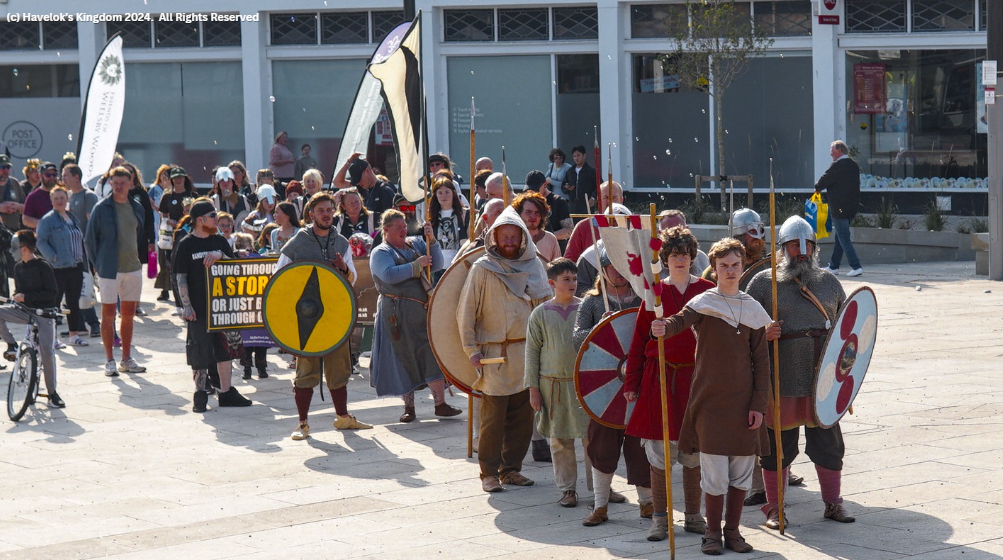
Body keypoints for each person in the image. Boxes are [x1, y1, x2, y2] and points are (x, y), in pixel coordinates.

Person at [653, 238, 774, 555]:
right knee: (715, 474)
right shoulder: (704, 303)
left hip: (745, 405)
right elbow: (679, 320)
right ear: (715, 268)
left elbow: (762, 363)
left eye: (736, 265)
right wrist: (663, 325)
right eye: (724, 266)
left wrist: (759, 406)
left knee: (741, 473)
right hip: (709, 403)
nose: (731, 270)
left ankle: (733, 533)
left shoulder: (753, 310)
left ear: (743, 266)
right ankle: (711, 533)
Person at [747, 216, 856, 529]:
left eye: (808, 244)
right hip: (782, 377)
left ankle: (833, 504)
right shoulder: (763, 284)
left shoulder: (830, 283)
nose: (803, 250)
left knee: (829, 444)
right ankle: (774, 509)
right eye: (795, 244)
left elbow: (847, 333)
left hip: (822, 381)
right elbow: (745, 330)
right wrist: (764, 332)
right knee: (776, 447)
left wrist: (845, 374)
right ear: (783, 248)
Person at [624, 226, 715, 541]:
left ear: (692, 257)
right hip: (659, 379)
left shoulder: (706, 289)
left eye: (685, 255)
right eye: (674, 254)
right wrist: (631, 383)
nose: (680, 260)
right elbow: (638, 343)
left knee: (693, 453)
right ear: (665, 258)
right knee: (660, 454)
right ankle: (661, 521)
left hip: (695, 380)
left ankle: (693, 516)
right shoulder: (654, 293)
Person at [458, 206, 552, 493]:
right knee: (493, 419)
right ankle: (488, 472)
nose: (509, 241)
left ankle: (511, 469)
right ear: (494, 238)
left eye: (514, 235)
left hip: (526, 352)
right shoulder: (482, 268)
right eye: (504, 236)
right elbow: (466, 312)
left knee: (524, 418)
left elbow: (544, 310)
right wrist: (471, 349)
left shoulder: (535, 267)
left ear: (522, 238)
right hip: (494, 355)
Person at [278, 192, 372, 440]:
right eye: (321, 210)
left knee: (339, 368)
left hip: (334, 314)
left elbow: (352, 277)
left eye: (330, 210)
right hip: (305, 317)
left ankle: (342, 417)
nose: (326, 214)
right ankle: (302, 424)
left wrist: (342, 268)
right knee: (306, 370)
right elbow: (280, 277)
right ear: (311, 214)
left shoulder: (341, 242)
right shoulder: (298, 242)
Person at [574, 247, 651, 527]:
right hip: (605, 388)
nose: (617, 273)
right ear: (603, 270)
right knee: (602, 447)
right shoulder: (592, 302)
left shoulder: (644, 299)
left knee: (640, 447)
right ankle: (600, 506)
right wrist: (597, 330)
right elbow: (578, 339)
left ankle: (647, 503)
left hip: (638, 382)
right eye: (612, 267)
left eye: (622, 267)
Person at [370, 209, 461, 421]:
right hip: (395, 314)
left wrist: (433, 240)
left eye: (404, 226)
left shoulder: (416, 244)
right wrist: (415, 266)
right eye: (398, 228)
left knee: (431, 355)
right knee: (403, 358)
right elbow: (388, 275)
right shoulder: (381, 252)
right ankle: (409, 408)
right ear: (386, 230)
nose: (403, 230)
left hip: (422, 311)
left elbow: (436, 264)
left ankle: (440, 403)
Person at [173, 200, 252, 412]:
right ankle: (200, 394)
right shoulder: (186, 244)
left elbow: (235, 267)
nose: (217, 219)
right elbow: (180, 277)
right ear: (201, 220)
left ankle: (226, 392)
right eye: (213, 216)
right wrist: (186, 306)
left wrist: (221, 255)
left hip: (222, 307)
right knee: (199, 350)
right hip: (199, 308)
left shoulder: (219, 241)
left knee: (224, 350)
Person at [524, 257, 589, 507]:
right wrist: (533, 389)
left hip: (582, 386)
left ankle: (601, 489)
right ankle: (567, 490)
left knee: (591, 439)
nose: (572, 283)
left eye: (574, 278)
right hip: (552, 386)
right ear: (552, 283)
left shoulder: (586, 308)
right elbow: (531, 352)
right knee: (560, 441)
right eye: (566, 279)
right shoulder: (540, 314)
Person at [84, 166, 148, 377]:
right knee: (108, 314)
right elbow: (90, 240)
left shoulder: (137, 206)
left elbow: (138, 236)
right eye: (116, 183)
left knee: (128, 315)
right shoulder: (101, 208)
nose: (119, 187)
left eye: (123, 183)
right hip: (109, 269)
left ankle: (126, 359)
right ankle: (109, 360)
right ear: (110, 183)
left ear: (130, 183)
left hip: (133, 268)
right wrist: (97, 265)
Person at [0, 230, 62, 407]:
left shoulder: (43, 266)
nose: (12, 252)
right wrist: (18, 297)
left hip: (44, 313)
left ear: (25, 248)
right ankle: (11, 344)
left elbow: (52, 294)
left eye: (15, 248)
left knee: (47, 353)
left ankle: (52, 393)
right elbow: (18, 292)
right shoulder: (18, 267)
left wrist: (26, 297)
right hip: (25, 311)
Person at [36, 186, 88, 347]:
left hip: (76, 266)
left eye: (62, 198)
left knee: (73, 302)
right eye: (56, 198)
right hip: (58, 268)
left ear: (67, 199)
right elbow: (41, 241)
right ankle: (52, 338)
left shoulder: (71, 217)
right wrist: (53, 258)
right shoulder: (48, 219)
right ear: (51, 201)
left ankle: (74, 336)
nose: (60, 201)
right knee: (54, 303)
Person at [63, 164, 101, 336]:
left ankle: (94, 324)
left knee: (85, 288)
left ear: (76, 177)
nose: (63, 179)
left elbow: (93, 225)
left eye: (66, 175)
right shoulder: (69, 196)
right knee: (72, 289)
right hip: (70, 251)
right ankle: (78, 326)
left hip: (84, 251)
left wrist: (92, 253)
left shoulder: (88, 196)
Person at [816, 140, 863, 277]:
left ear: (840, 151)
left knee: (843, 237)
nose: (830, 153)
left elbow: (823, 181)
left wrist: (817, 188)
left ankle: (856, 266)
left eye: (832, 150)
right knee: (840, 237)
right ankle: (834, 266)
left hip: (839, 208)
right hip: (851, 207)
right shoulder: (853, 165)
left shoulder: (838, 166)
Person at [156, 167, 194, 303]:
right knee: (172, 266)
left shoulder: (192, 195)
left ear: (185, 178)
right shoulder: (167, 196)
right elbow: (164, 215)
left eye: (181, 177)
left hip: (189, 234)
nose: (178, 180)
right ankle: (177, 300)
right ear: (171, 179)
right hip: (172, 236)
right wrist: (170, 222)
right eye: (175, 177)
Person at [564, 180, 625, 262]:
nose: (610, 203)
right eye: (605, 197)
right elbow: (570, 260)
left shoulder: (631, 226)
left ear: (621, 200)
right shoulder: (583, 227)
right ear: (599, 200)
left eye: (614, 198)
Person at [701, 208, 766, 282]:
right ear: (738, 235)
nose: (757, 237)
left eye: (760, 230)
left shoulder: (767, 266)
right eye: (752, 231)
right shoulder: (716, 271)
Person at [334, 156, 397, 225]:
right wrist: (349, 161)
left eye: (359, 179)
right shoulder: (363, 188)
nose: (358, 183)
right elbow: (337, 182)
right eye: (356, 181)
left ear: (367, 171)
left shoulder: (385, 191)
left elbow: (391, 220)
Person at [428, 174, 468, 270]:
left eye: (447, 192)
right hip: (437, 267)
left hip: (458, 266)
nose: (444, 196)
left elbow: (469, 241)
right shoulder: (431, 215)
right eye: (440, 193)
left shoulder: (464, 214)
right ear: (435, 195)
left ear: (453, 193)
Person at [524, 170, 573, 246]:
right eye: (529, 190)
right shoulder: (527, 202)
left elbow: (569, 231)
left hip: (555, 250)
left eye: (535, 190)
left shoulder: (558, 202)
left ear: (545, 184)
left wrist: (545, 236)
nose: (532, 193)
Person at [512, 190, 560, 262]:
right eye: (528, 212)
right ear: (519, 213)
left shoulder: (550, 239)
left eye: (537, 213)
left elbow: (558, 270)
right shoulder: (511, 239)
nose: (533, 216)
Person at [21, 161, 59, 229]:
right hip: (43, 237)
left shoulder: (62, 193)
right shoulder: (33, 196)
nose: (52, 177)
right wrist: (45, 224)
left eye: (54, 175)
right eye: (48, 175)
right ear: (40, 176)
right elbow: (26, 220)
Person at [564, 145, 596, 217]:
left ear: (584, 155)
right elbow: (563, 185)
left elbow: (599, 186)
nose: (576, 158)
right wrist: (567, 187)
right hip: (573, 206)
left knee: (587, 225)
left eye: (578, 155)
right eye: (574, 156)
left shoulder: (591, 171)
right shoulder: (570, 171)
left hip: (587, 205)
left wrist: (593, 197)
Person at [0, 154, 26, 233]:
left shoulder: (14, 183)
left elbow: (26, 207)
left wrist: (16, 206)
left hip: (13, 230)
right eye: (2, 167)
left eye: (8, 167)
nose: (6, 170)